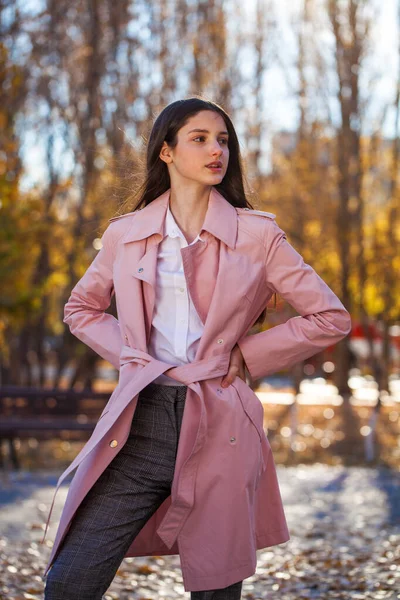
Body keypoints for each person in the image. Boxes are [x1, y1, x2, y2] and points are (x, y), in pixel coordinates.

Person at [42, 97, 351, 599]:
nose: (216, 151)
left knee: (215, 589)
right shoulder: (127, 234)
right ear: (166, 152)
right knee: (71, 579)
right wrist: (131, 357)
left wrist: (249, 355)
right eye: (200, 139)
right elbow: (81, 309)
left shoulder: (259, 235)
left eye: (223, 140)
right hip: (140, 425)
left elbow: (330, 317)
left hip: (220, 425)